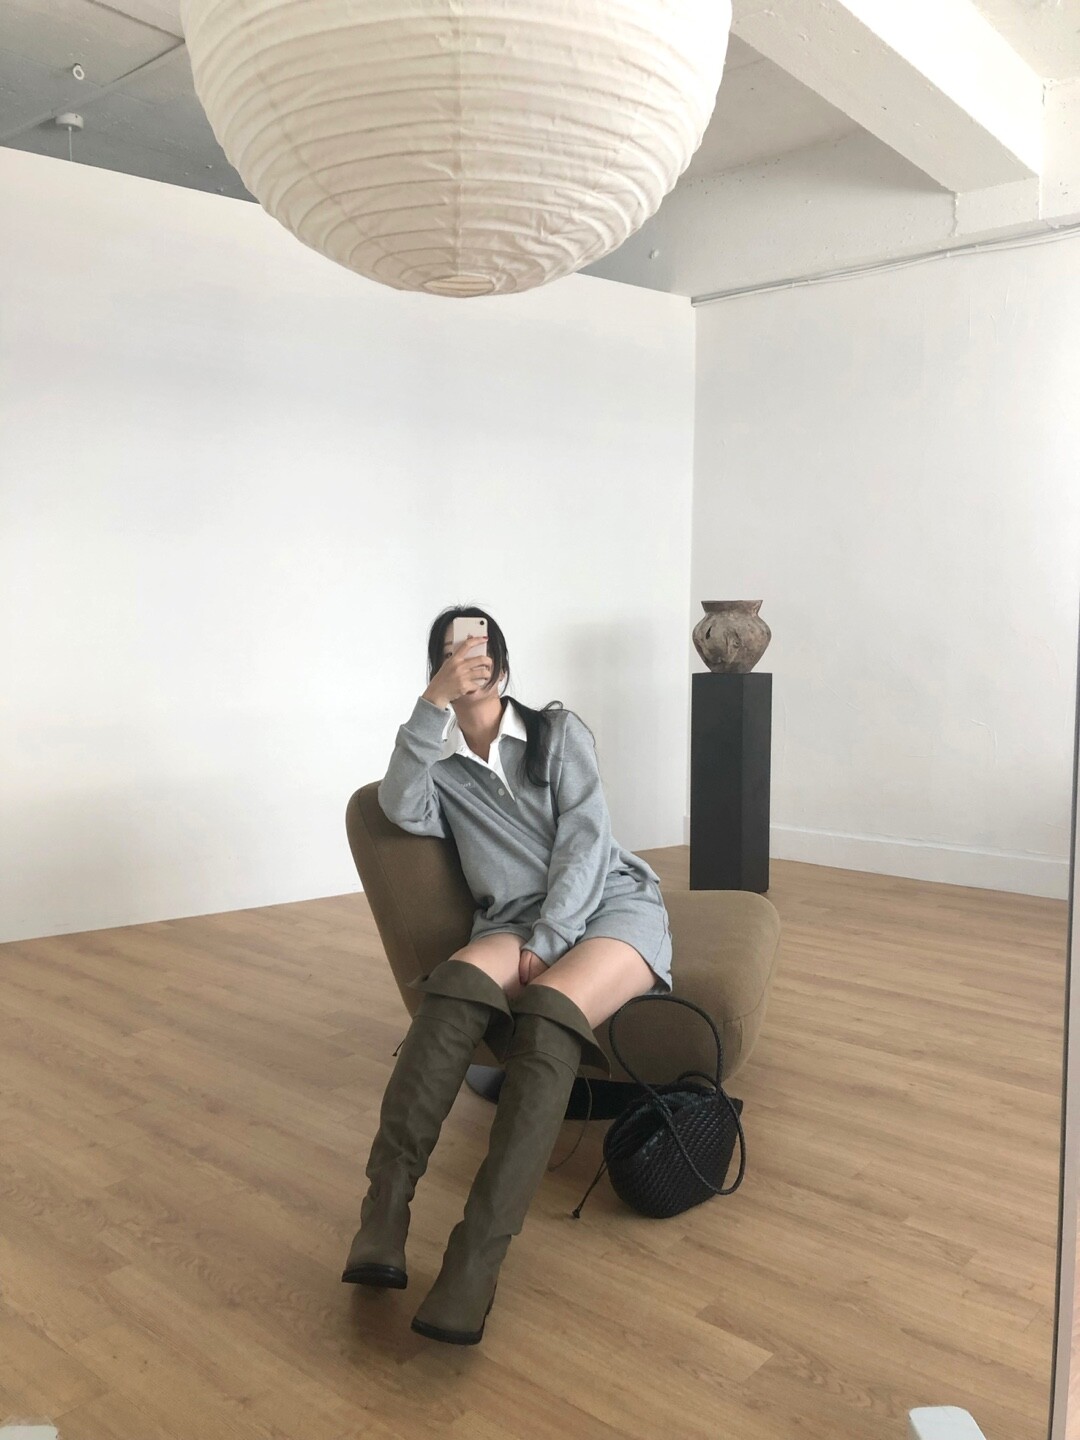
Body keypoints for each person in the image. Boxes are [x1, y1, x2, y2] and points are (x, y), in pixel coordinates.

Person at [341, 605, 674, 1345]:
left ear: (503, 657)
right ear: (438, 666)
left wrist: (553, 937)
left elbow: (587, 841)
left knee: (550, 1013)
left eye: (483, 642)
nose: (474, 654)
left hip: (609, 905)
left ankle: (474, 1264)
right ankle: (383, 1217)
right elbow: (397, 805)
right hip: (512, 922)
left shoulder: (558, 732)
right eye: (456, 647)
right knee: (454, 989)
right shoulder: (439, 767)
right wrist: (430, 706)